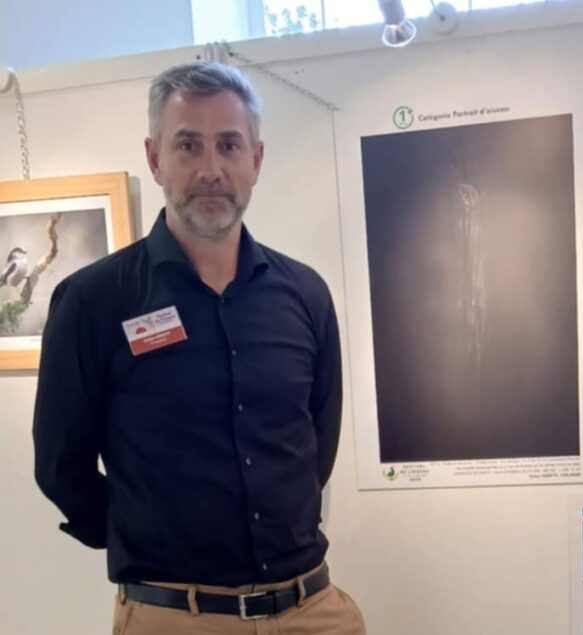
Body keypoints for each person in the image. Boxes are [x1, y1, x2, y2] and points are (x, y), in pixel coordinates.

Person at [33, 61, 366, 634]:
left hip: (313, 611)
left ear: (255, 160)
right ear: (155, 157)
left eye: (229, 145)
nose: (211, 169)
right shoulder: (95, 301)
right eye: (188, 145)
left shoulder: (305, 294)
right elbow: (62, 467)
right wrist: (144, 531)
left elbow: (316, 444)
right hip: (176, 617)